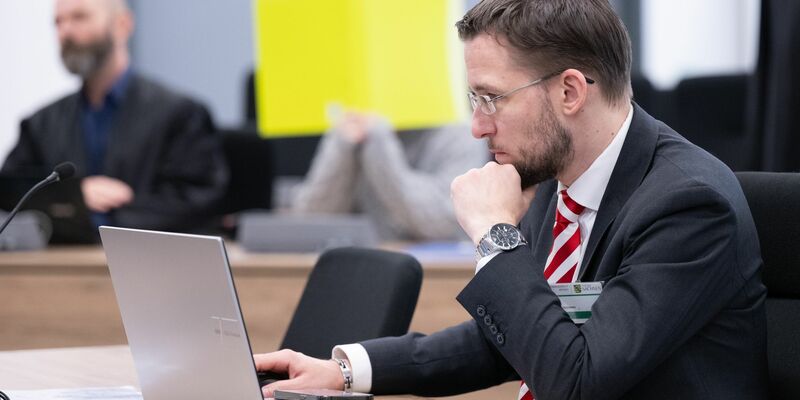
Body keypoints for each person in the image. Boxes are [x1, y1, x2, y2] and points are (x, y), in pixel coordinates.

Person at [254, 0, 769, 399]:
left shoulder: (688, 204)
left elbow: (576, 380)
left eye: (490, 98)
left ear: (570, 92)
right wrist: (344, 371)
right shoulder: (556, 177)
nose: (478, 126)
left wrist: (495, 235)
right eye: (473, 100)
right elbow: (514, 338)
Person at [1, 0, 228, 233]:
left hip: (144, 252)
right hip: (65, 254)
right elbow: (10, 191)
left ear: (122, 25)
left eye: (80, 17)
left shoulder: (180, 115)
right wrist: (74, 195)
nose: (65, 31)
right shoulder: (41, 123)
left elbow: (200, 201)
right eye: (58, 22)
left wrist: (112, 214)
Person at [291, 111, 488, 241]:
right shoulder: (350, 128)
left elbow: (443, 221)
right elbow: (310, 224)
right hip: (369, 269)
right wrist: (342, 146)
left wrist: (379, 142)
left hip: (439, 276)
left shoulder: (459, 131)